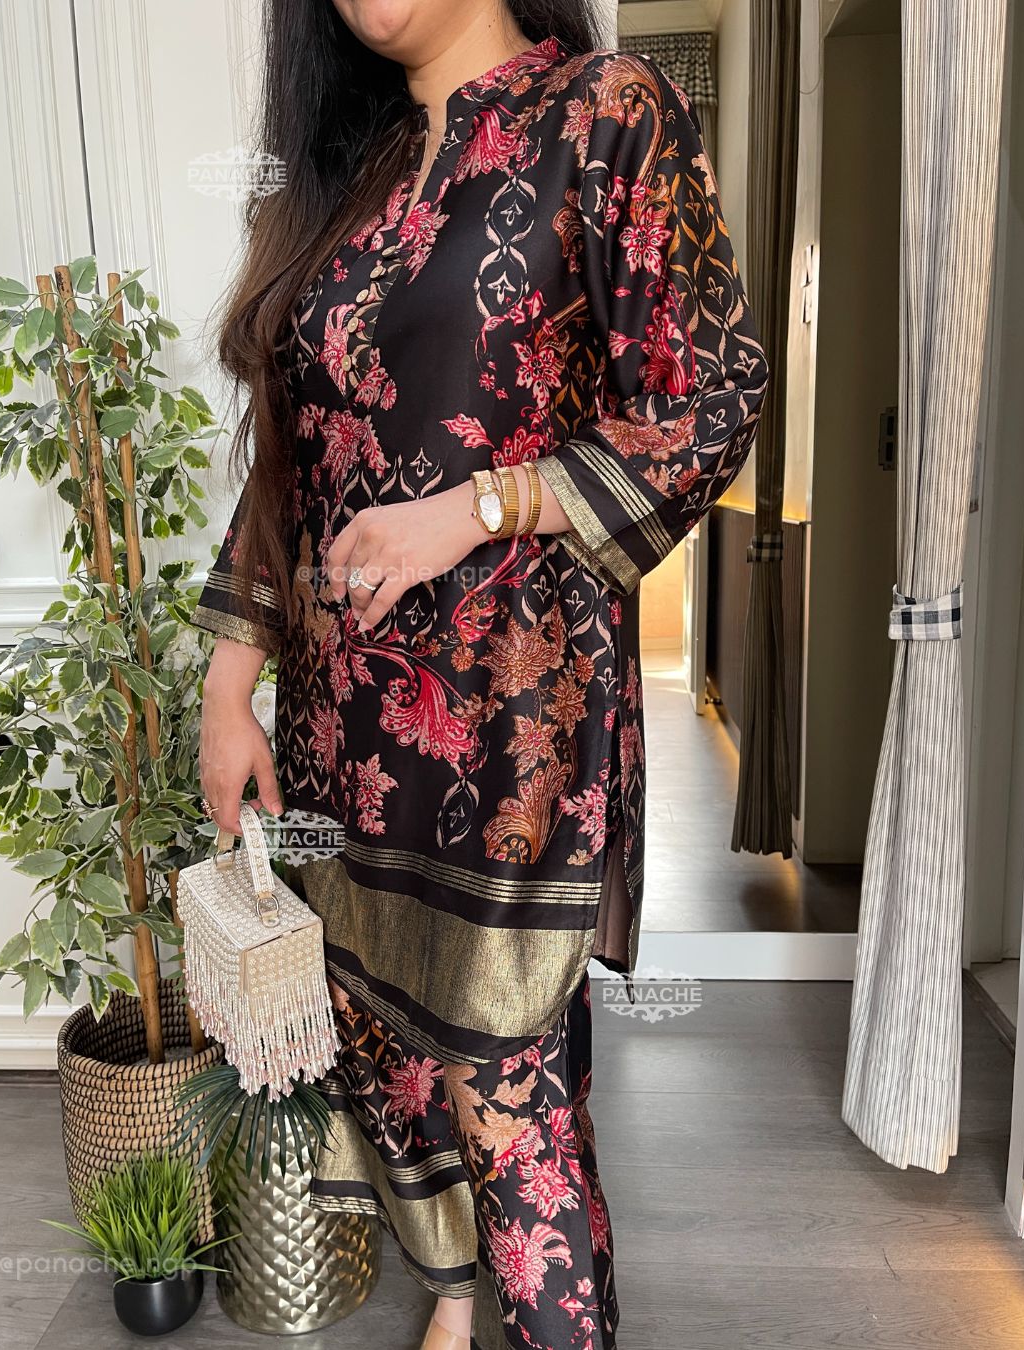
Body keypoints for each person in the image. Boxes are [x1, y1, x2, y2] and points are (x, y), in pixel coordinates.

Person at [195, 1, 768, 1346]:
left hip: (515, 742)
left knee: (511, 1096)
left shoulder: (604, 114)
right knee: (387, 1058)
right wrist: (229, 681)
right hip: (337, 737)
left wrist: (477, 507)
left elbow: (711, 401)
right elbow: (291, 464)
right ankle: (454, 1295)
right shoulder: (353, 174)